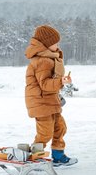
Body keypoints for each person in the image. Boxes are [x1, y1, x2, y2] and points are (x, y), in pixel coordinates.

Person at [24, 25, 78, 166]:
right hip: (40, 103)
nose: (58, 46)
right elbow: (45, 85)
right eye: (56, 43)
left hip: (50, 101)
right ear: (47, 44)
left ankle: (58, 155)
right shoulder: (42, 61)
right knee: (45, 132)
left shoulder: (49, 58)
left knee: (60, 127)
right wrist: (60, 81)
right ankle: (35, 158)